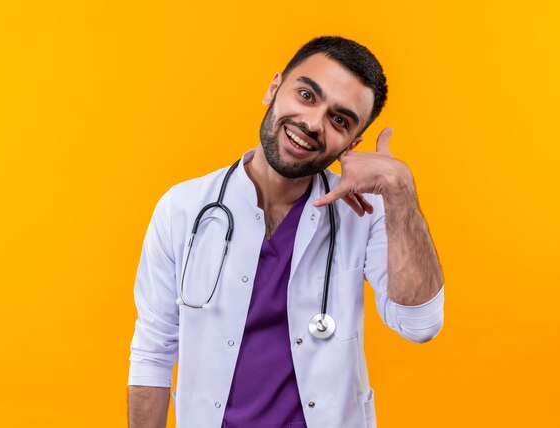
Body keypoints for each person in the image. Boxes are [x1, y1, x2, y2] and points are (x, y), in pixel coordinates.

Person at [128, 36, 444, 428]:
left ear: (353, 145)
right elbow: (153, 354)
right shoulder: (183, 209)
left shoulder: (367, 213)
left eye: (339, 120)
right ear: (274, 88)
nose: (312, 124)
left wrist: (400, 191)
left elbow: (420, 325)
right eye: (307, 95)